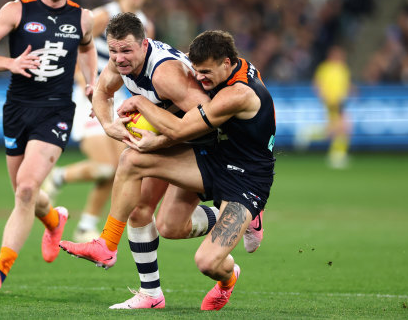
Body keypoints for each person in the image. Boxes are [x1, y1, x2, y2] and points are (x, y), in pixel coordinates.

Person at [61, 30, 275, 311]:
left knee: (207, 262)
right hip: (211, 157)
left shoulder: (237, 94)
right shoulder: (226, 65)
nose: (200, 79)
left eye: (206, 72)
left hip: (245, 177)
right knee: (153, 199)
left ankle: (228, 278)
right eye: (197, 71)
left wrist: (140, 103)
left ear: (226, 62)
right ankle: (108, 245)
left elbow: (180, 128)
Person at [0, 0, 97, 294]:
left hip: (55, 112)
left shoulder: (82, 18)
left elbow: (87, 47)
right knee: (25, 195)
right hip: (17, 109)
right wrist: (9, 63)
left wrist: (91, 81)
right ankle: (55, 219)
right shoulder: (16, 10)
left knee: (26, 188)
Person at [41, 0, 155, 242]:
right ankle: (59, 176)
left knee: (120, 167)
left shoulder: (146, 25)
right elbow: (75, 48)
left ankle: (85, 226)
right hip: (91, 94)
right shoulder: (104, 15)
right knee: (105, 166)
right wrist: (85, 82)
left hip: (120, 99)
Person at [295, 45, 351, 168]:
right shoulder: (325, 68)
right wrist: (324, 97)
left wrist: (352, 91)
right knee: (343, 126)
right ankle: (337, 155)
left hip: (340, 101)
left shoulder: (343, 68)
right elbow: (316, 84)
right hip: (331, 102)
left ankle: (312, 134)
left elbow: (346, 85)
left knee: (338, 127)